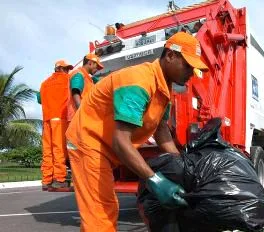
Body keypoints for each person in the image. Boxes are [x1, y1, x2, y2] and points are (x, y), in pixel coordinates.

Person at [65, 31, 209, 231]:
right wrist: (155, 180)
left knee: (102, 210)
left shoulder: (164, 90)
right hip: (87, 142)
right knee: (101, 214)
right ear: (170, 56)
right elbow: (121, 142)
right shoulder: (138, 81)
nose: (191, 73)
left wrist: (182, 164)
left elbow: (161, 131)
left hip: (105, 147)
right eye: (188, 65)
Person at [37, 60, 73, 190]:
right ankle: (59, 179)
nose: (68, 71)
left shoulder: (44, 83)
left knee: (48, 150)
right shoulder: (68, 79)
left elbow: (39, 99)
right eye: (67, 69)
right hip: (60, 117)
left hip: (47, 119)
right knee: (59, 148)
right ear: (61, 69)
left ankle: (46, 180)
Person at [67, 53, 103, 122]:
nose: (97, 69)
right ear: (90, 63)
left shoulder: (87, 78)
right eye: (97, 66)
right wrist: (82, 114)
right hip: (78, 117)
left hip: (82, 117)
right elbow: (75, 93)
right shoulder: (79, 74)